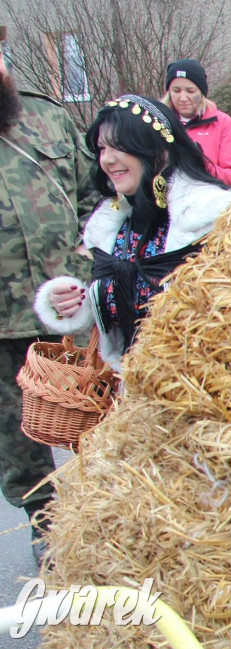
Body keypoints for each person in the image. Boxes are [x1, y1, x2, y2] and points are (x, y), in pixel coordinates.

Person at [34, 95, 231, 372]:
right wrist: (73, 301)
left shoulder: (213, 218)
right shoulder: (112, 224)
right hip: (131, 398)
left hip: (204, 393)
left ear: (159, 151)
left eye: (119, 146)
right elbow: (116, 305)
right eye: (102, 148)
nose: (107, 159)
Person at [0, 24, 97, 565]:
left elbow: (96, 203)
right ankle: (48, 538)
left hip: (74, 317)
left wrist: (82, 272)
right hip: (2, 328)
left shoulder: (48, 117)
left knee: (101, 426)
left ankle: (111, 525)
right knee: (20, 446)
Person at [161, 58, 231, 189]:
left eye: (190, 91)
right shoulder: (157, 122)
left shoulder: (223, 123)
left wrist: (202, 163)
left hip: (207, 202)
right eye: (176, 91)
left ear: (201, 92)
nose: (183, 98)